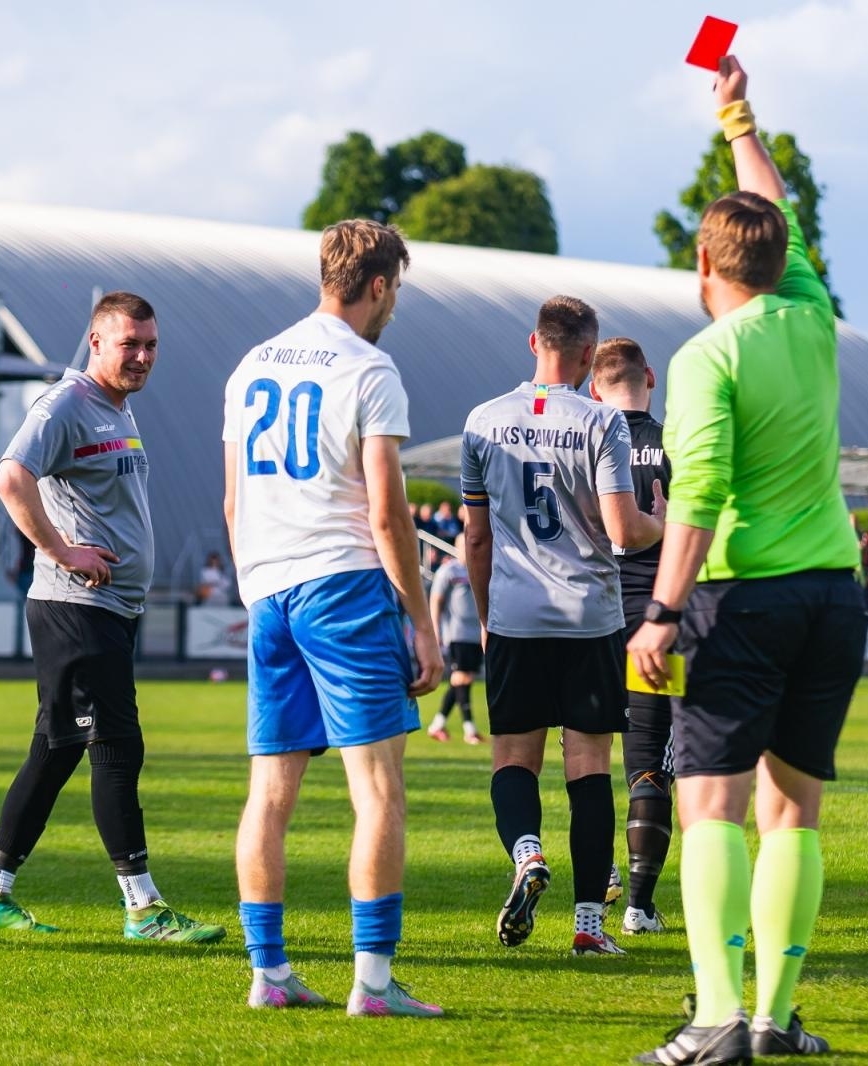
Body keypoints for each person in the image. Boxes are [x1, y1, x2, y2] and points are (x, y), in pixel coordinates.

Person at [627, 56, 868, 1062]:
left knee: (711, 803)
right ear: (778, 258)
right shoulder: (812, 318)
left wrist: (662, 610)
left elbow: (699, 491)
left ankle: (716, 1018)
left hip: (742, 595)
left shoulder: (703, 356)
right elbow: (777, 209)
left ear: (706, 269)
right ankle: (773, 1016)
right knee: (793, 812)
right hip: (833, 595)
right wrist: (736, 118)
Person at [224, 219, 444, 1017]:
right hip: (343, 588)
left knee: (269, 794)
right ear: (379, 285)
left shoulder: (251, 365)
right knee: (377, 790)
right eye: (397, 291)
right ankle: (375, 986)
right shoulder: (370, 367)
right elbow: (388, 514)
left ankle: (269, 975)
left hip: (272, 590)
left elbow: (232, 499)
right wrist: (421, 623)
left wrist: (256, 588)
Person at [0, 291, 225, 943]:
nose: (141, 356)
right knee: (116, 743)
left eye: (151, 344)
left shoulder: (116, 408)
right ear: (96, 340)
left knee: (57, 750)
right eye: (129, 343)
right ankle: (143, 906)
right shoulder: (66, 403)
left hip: (107, 609)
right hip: (76, 609)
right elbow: (10, 477)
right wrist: (59, 550)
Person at [461, 295, 663, 960]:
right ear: (586, 355)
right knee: (588, 771)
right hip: (590, 616)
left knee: (513, 761)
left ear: (532, 343)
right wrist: (674, 523)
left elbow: (478, 537)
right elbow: (625, 531)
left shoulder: (483, 422)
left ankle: (526, 853)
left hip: (517, 616)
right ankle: (588, 927)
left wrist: (488, 617)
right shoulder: (601, 421)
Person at [588, 335, 675, 936]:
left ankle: (602, 874)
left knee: (587, 757)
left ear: (596, 388)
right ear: (649, 376)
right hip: (659, 623)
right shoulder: (680, 445)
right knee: (650, 765)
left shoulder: (582, 438)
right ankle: (640, 909)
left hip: (589, 621)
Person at [427, 533, 483, 744]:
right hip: (457, 633)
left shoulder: (478, 569)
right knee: (461, 678)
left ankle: (438, 724)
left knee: (461, 680)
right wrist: (435, 631)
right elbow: (436, 601)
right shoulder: (449, 571)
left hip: (475, 634)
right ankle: (470, 729)